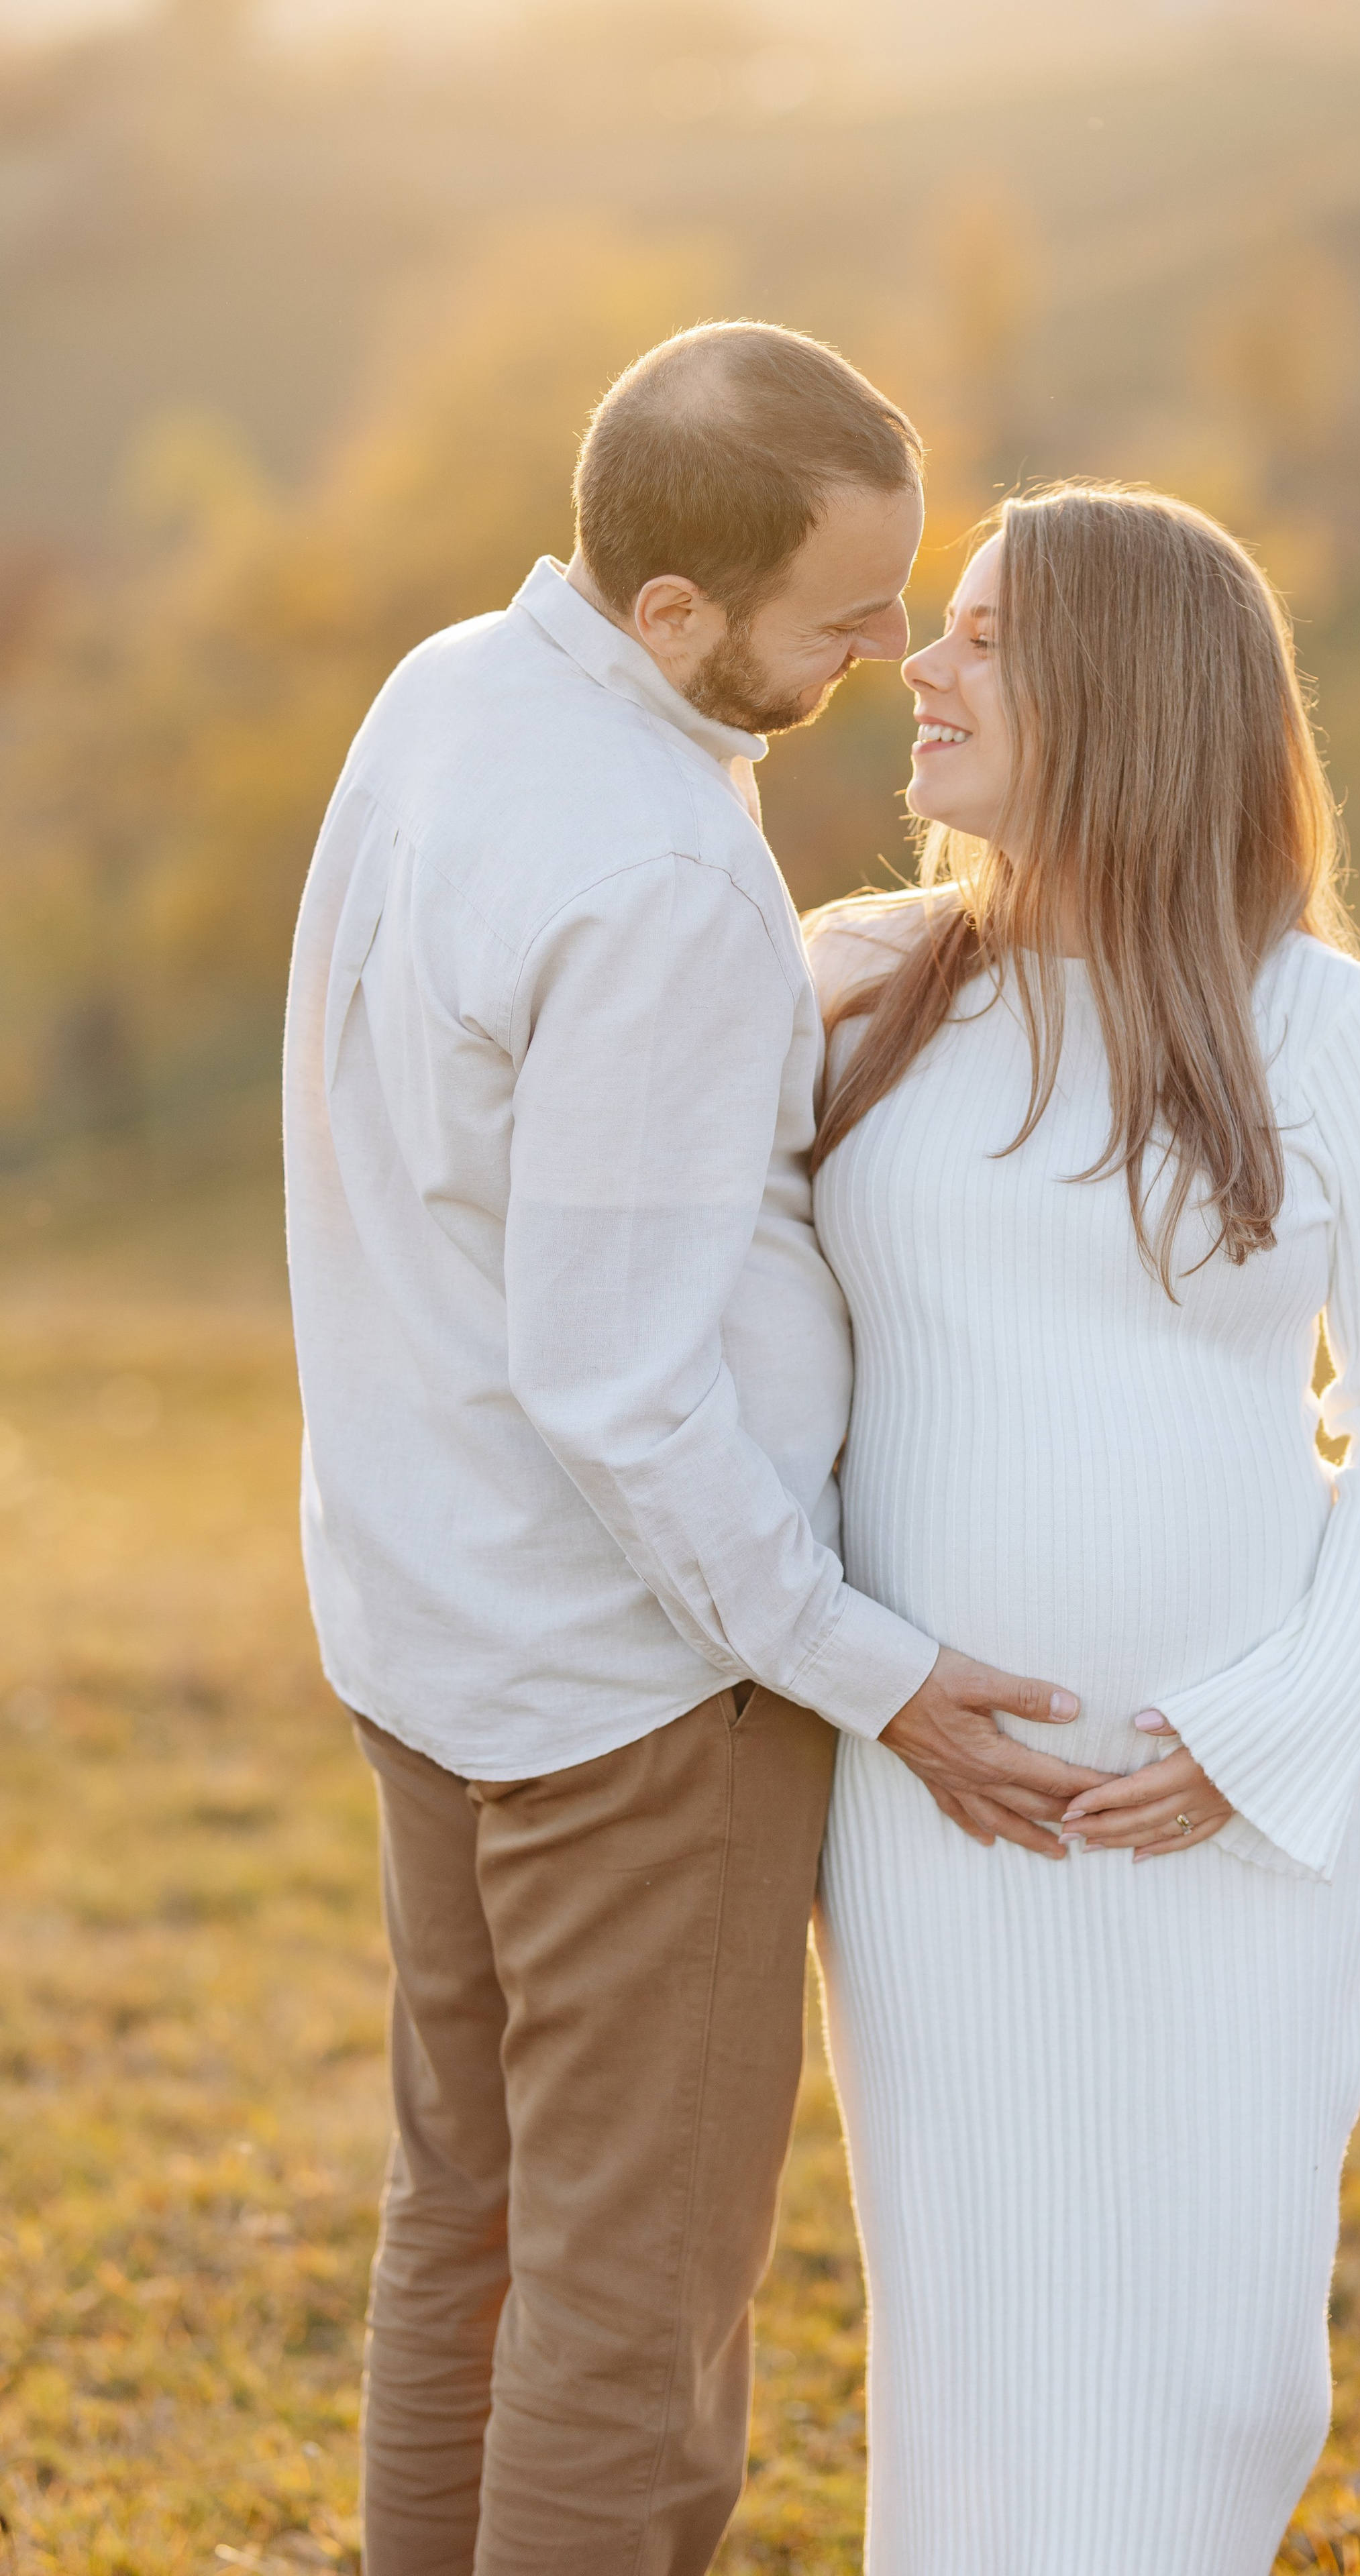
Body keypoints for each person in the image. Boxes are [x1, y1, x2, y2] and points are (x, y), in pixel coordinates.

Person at [281, 325, 1098, 2576]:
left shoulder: (462, 688)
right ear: (674, 615)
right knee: (629, 2328)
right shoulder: (649, 870)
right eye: (844, 614)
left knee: (474, 2223)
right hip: (635, 1688)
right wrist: (869, 1666)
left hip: (428, 1615)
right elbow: (625, 1383)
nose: (887, 652)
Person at [806, 483, 1360, 2575]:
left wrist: (1270, 1733)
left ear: (1125, 686)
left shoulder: (1321, 1020)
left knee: (1224, 2382)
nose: (917, 666)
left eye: (985, 635)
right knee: (982, 2348)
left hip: (1233, 1817)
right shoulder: (860, 983)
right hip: (935, 1813)